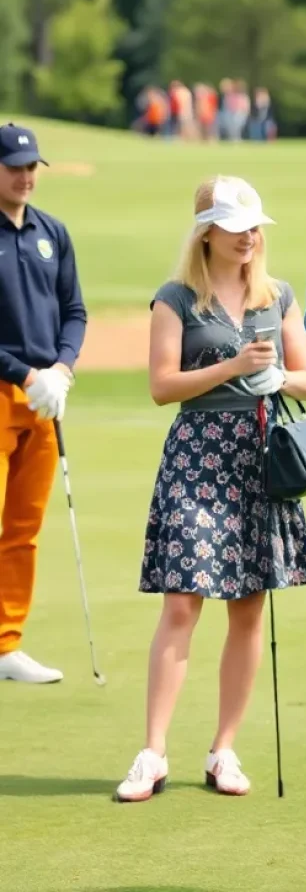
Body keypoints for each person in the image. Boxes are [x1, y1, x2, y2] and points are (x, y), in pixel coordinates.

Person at [114, 175, 306, 803]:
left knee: (249, 606)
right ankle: (153, 752)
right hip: (197, 456)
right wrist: (232, 367)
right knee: (182, 602)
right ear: (207, 234)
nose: (248, 237)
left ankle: (223, 749)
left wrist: (277, 378)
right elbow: (162, 386)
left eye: (254, 227)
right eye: (235, 228)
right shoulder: (175, 298)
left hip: (259, 458)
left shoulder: (278, 296)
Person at [0, 123, 87, 684]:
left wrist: (61, 369)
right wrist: (26, 373)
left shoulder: (51, 231)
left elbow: (74, 311)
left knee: (22, 526)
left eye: (31, 167)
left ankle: (5, 644)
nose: (25, 176)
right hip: (7, 387)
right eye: (14, 168)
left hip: (44, 397)